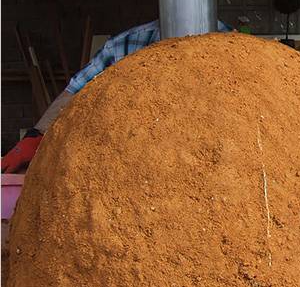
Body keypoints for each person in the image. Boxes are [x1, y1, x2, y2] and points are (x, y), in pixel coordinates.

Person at [1, 19, 231, 173]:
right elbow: (75, 91)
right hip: (136, 162)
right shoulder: (125, 46)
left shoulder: (233, 47)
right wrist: (35, 136)